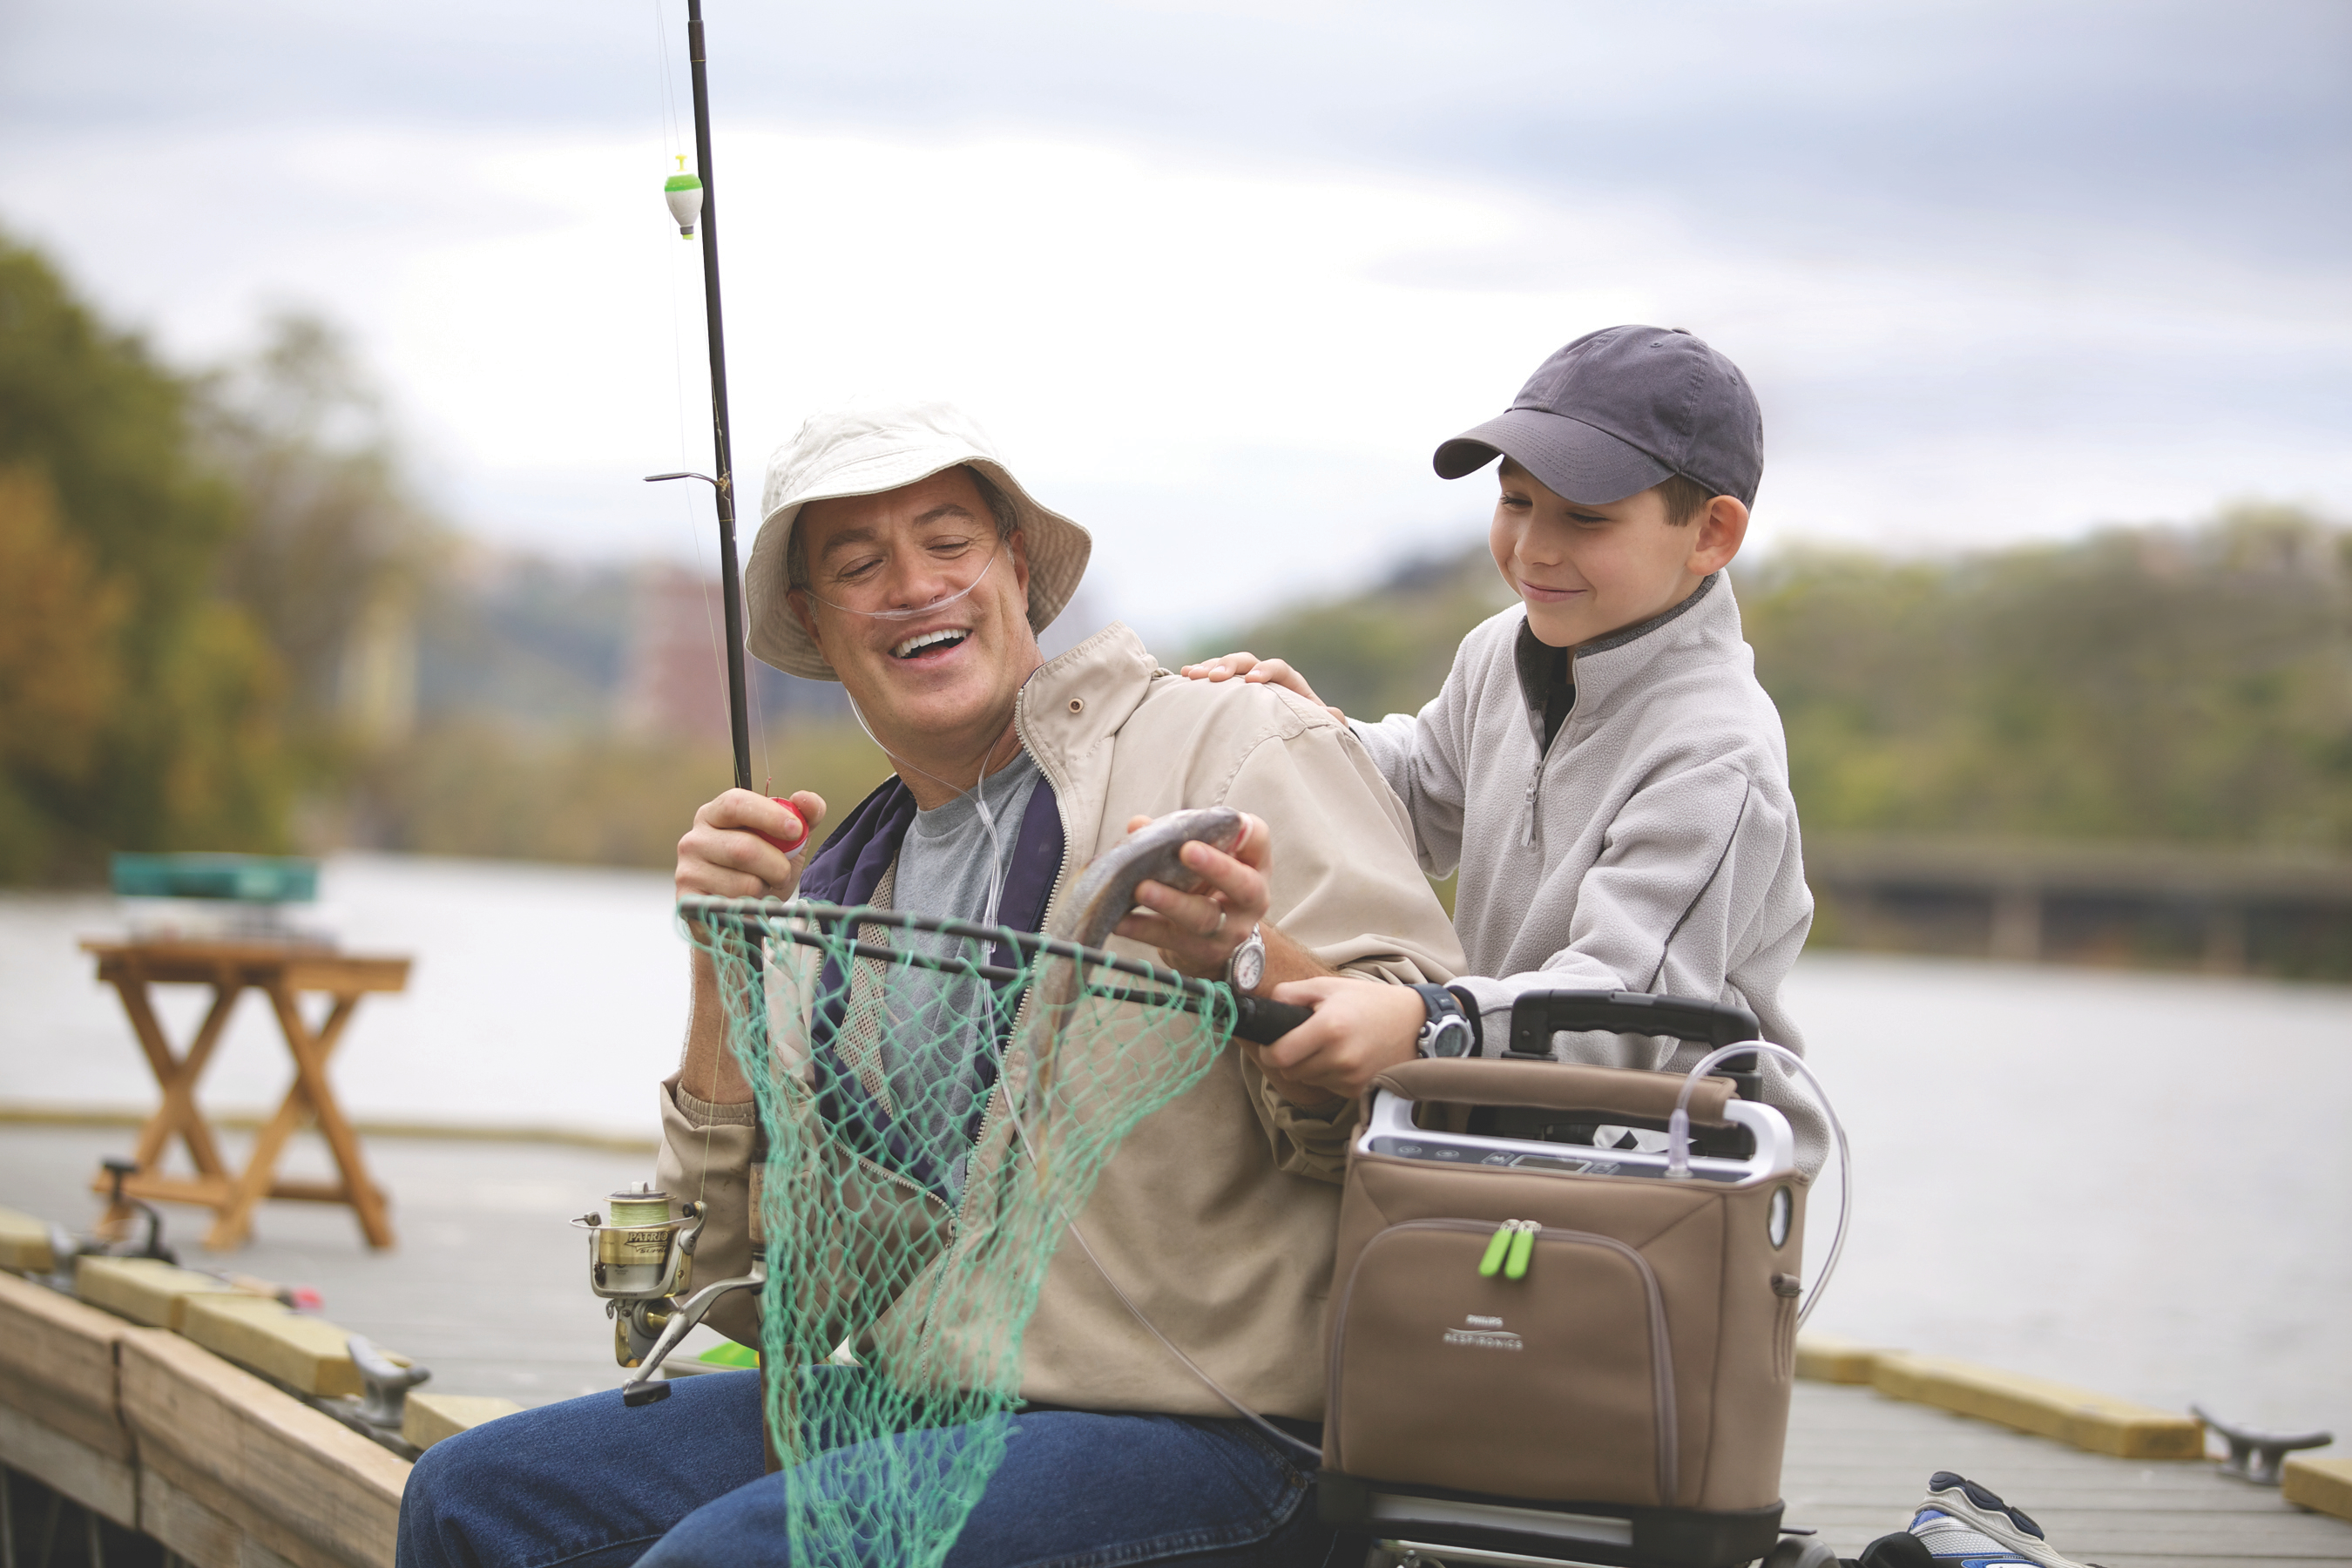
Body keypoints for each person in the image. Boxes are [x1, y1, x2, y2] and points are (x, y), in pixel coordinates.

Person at [395, 401, 1464, 1568]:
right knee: (469, 1497)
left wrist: (1248, 961)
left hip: (1217, 1435)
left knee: (726, 1562)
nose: (913, 585)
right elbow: (728, 1295)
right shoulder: (838, 899)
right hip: (914, 1412)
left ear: (1015, 566)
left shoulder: (1244, 742)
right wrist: (724, 966)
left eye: (948, 543)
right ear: (814, 619)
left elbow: (1429, 1101)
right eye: (859, 564)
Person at [1185, 325, 1825, 1166]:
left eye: (1586, 518)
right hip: (1499, 1132)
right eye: (1515, 501)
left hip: (1665, 1188)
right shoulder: (1500, 649)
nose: (1533, 549)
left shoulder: (1717, 757)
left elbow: (1619, 1014)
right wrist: (1308, 736)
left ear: (1711, 534)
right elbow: (1421, 794)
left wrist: (1428, 1021)